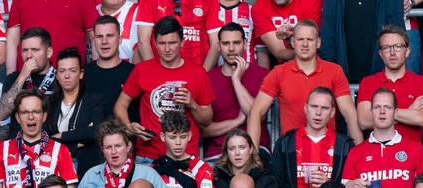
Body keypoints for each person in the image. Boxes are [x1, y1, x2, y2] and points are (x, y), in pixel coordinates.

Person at [113, 18, 214, 162]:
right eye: (162, 43)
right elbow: (120, 105)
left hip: (186, 157)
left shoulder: (198, 73)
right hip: (148, 156)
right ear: (155, 44)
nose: (167, 49)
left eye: (172, 43)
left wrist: (192, 104)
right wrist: (129, 127)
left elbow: (207, 120)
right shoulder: (142, 69)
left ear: (182, 42)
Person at [246, 22, 359, 145]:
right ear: (292, 42)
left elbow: (349, 113)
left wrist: (359, 153)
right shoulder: (278, 73)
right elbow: (256, 112)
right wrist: (252, 154)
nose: (305, 44)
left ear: (318, 43)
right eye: (300, 39)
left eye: (310, 39)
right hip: (291, 150)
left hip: (327, 149)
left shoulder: (334, 71)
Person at [343, 88, 423, 188]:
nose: (382, 112)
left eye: (387, 107)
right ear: (371, 112)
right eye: (377, 107)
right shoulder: (356, 152)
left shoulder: (415, 149)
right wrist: (349, 187)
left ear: (395, 112)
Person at [203, 23, 267, 160]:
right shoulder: (208, 79)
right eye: (226, 43)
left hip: (254, 151)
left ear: (245, 44)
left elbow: (257, 115)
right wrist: (237, 122)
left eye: (236, 43)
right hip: (219, 153)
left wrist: (236, 80)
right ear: (218, 46)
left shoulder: (261, 74)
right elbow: (204, 131)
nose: (231, 49)